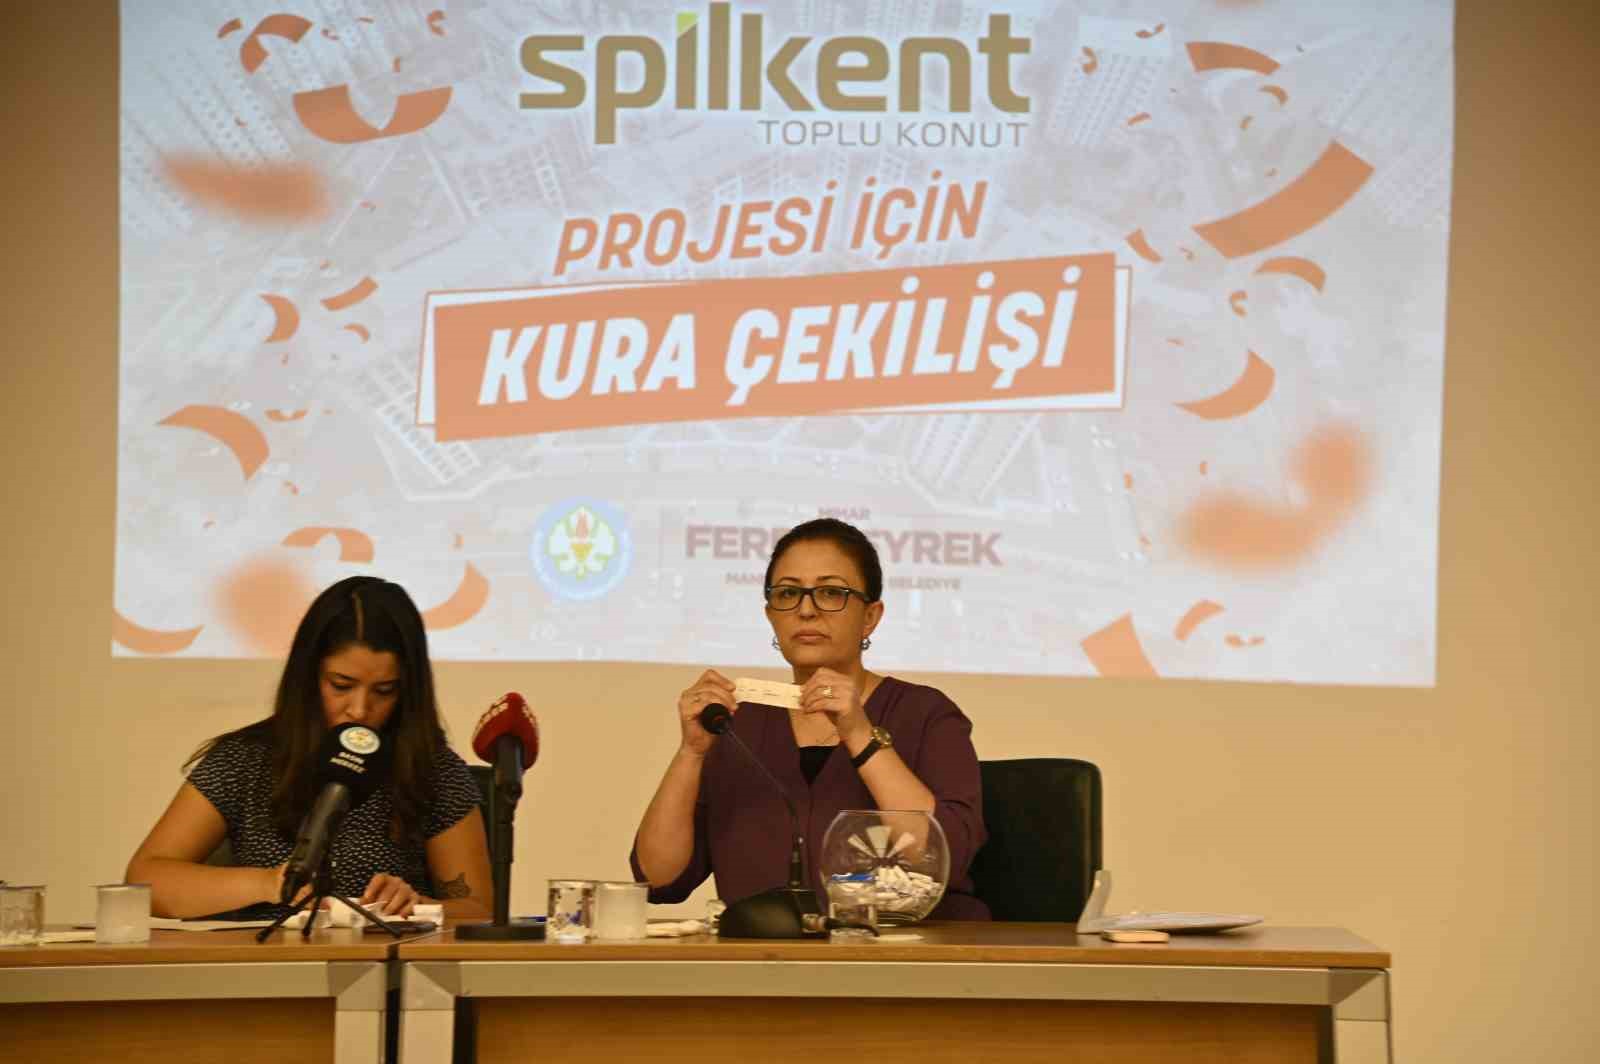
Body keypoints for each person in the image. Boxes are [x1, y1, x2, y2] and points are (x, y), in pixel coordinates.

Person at [631, 518, 990, 919]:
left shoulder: (926, 714)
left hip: (905, 952)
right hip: (765, 954)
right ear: (771, 615)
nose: (806, 610)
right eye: (788, 593)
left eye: (831, 592)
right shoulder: (736, 724)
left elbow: (945, 856)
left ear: (870, 616)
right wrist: (692, 753)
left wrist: (858, 732)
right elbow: (658, 878)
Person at [126, 576, 493, 922]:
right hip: (262, 960)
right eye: (341, 685)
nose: (360, 710)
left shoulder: (434, 770)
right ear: (308, 676)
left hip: (381, 963)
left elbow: (480, 909)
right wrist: (267, 884)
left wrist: (418, 907)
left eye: (384, 691)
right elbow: (145, 880)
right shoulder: (245, 759)